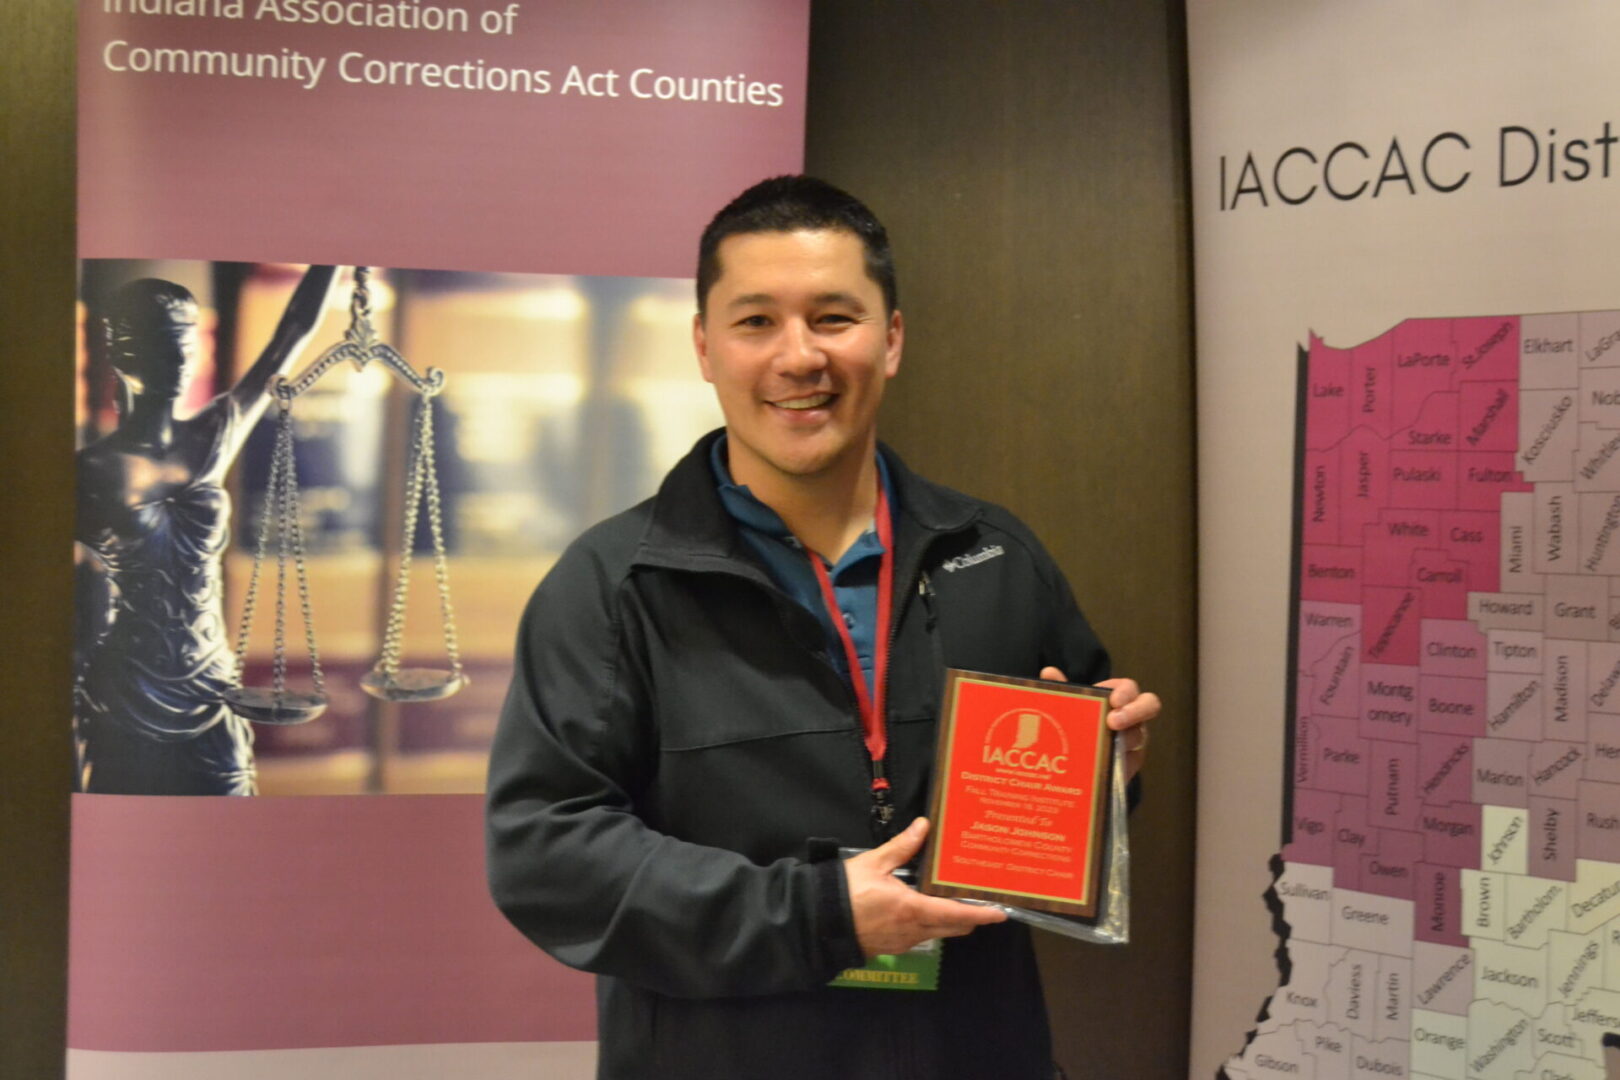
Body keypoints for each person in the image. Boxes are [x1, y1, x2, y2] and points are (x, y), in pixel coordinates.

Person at [486, 178, 1157, 1079]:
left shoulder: (994, 555)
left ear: (891, 340)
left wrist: (1109, 773)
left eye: (834, 318)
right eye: (756, 321)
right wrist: (817, 915)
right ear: (704, 346)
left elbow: (1056, 818)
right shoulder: (613, 586)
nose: (798, 357)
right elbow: (549, 853)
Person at [75, 265, 336, 795]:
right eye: (162, 345)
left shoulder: (215, 434)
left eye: (186, 345)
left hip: (212, 685)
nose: (179, 360)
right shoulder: (89, 472)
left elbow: (294, 332)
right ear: (125, 355)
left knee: (229, 812)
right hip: (128, 689)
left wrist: (337, 258)